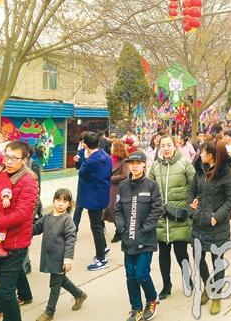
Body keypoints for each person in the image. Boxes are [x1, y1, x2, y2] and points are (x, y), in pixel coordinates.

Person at [0, 141, 39, 321]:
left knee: (6, 292)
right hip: (0, 239)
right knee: (6, 281)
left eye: (14, 158)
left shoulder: (28, 181)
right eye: (6, 156)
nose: (8, 161)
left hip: (16, 241)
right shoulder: (1, 175)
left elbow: (22, 214)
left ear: (24, 160)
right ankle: (24, 295)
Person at [188, 139, 231, 315]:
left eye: (202, 152)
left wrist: (217, 217)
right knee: (198, 258)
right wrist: (191, 206)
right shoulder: (200, 169)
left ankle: (217, 295)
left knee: (217, 262)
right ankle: (208, 287)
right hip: (199, 223)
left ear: (210, 155)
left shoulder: (226, 173)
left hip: (217, 226)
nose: (199, 154)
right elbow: (192, 190)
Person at [114, 150, 163, 321]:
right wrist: (122, 228)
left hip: (145, 239)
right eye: (131, 163)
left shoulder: (151, 186)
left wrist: (145, 228)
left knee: (141, 273)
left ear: (144, 165)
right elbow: (117, 210)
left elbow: (157, 209)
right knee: (130, 275)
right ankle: (136, 308)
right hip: (128, 240)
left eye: (138, 163)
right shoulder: (123, 186)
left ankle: (152, 299)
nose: (134, 166)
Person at [148, 134, 195, 300]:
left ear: (175, 146)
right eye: (163, 146)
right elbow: (149, 189)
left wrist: (190, 208)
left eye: (169, 145)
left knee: (181, 253)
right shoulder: (155, 166)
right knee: (163, 254)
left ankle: (188, 280)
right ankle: (166, 285)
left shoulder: (184, 163)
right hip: (161, 218)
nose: (166, 149)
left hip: (179, 217)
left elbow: (195, 187)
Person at [33, 188, 87, 321]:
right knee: (61, 280)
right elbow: (35, 229)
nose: (61, 203)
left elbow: (70, 240)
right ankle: (79, 294)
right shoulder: (47, 217)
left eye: (65, 201)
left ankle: (49, 312)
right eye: (58, 200)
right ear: (54, 201)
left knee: (55, 285)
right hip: (49, 257)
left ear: (69, 204)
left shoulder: (67, 220)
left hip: (60, 258)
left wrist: (68, 259)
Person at [78, 132, 113, 271]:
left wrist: (83, 158)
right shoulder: (106, 156)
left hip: (93, 197)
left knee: (96, 226)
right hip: (103, 194)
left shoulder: (91, 161)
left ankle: (101, 259)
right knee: (98, 224)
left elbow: (81, 173)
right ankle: (103, 248)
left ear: (85, 144)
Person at [104, 139, 130, 243]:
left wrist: (109, 179)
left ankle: (120, 231)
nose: (110, 148)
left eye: (112, 146)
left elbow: (125, 176)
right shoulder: (110, 159)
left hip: (118, 188)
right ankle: (119, 230)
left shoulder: (124, 161)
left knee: (113, 209)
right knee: (110, 209)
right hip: (110, 188)